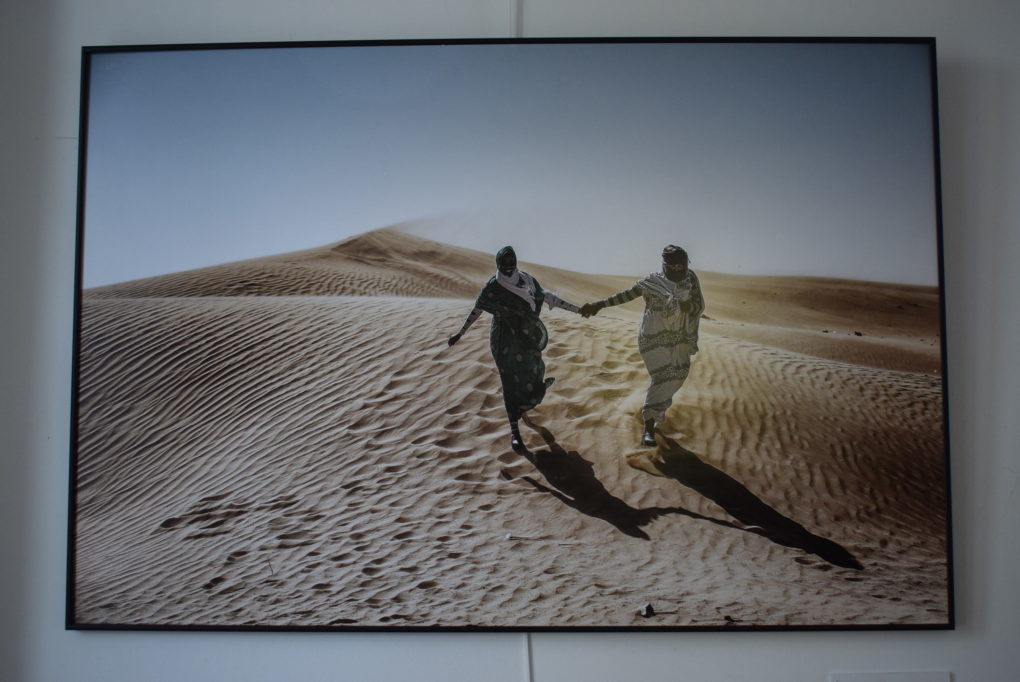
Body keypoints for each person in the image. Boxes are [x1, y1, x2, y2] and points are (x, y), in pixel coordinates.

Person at [448, 246, 582, 451]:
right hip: (504, 340)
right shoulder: (493, 287)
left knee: (534, 370)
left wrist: (579, 310)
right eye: (505, 262)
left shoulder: (527, 280)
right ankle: (514, 430)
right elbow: (477, 310)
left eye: (512, 262)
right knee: (509, 381)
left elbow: (547, 297)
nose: (509, 266)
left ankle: (532, 396)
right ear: (498, 263)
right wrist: (460, 333)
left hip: (525, 336)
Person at [580, 245, 705, 447]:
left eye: (680, 266)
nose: (677, 269)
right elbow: (627, 295)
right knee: (662, 377)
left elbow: (698, 306)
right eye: (673, 266)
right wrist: (599, 304)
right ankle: (649, 427)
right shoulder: (652, 282)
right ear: (664, 265)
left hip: (678, 339)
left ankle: (654, 413)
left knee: (679, 373)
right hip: (652, 337)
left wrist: (682, 305)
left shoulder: (690, 280)